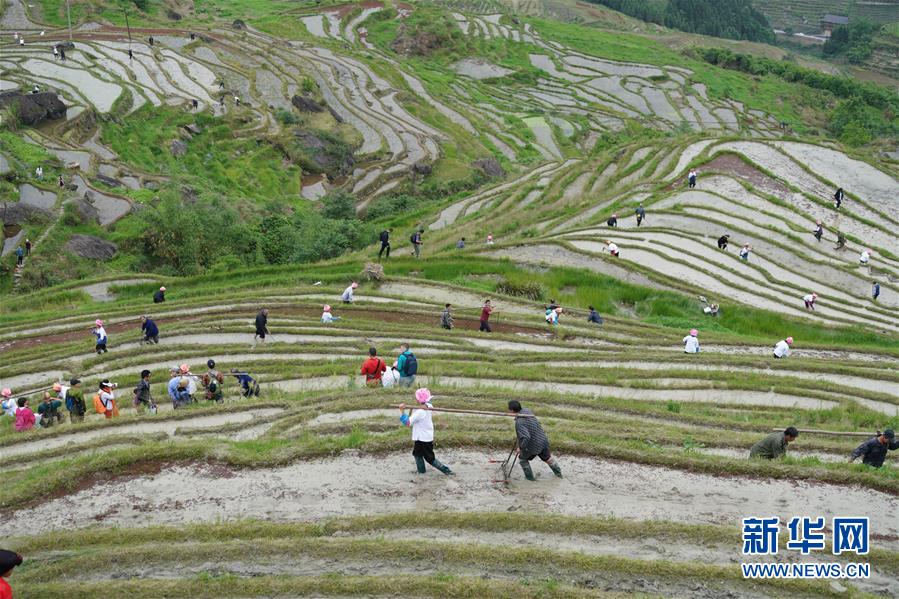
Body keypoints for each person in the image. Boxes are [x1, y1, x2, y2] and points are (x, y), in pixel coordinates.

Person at [398, 388, 454, 475]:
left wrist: (402, 411)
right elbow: (429, 405)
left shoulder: (420, 412)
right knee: (417, 454)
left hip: (423, 438)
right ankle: (421, 472)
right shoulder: (429, 406)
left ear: (418, 399)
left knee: (430, 458)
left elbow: (408, 423)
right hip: (421, 437)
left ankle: (447, 471)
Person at [508, 400, 562, 481]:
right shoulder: (527, 410)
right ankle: (559, 475)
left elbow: (526, 437)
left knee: (522, 459)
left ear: (511, 410)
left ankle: (530, 480)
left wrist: (521, 448)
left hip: (533, 445)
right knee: (548, 458)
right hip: (542, 439)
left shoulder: (519, 422)